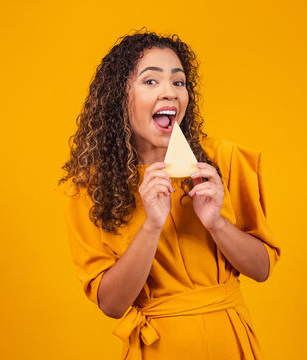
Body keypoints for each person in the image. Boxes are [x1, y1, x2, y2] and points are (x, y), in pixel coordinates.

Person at [56, 29, 281, 360]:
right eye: (150, 82)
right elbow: (112, 304)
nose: (170, 93)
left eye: (178, 82)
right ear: (121, 96)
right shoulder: (87, 188)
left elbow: (262, 269)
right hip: (159, 348)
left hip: (230, 343)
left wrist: (216, 222)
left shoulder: (224, 161)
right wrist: (151, 225)